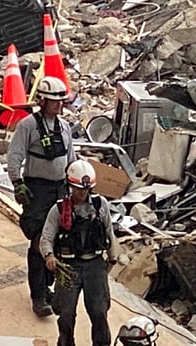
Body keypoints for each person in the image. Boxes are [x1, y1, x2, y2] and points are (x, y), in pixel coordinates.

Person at [7, 76, 75, 317]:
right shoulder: (28, 126)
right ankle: (38, 296)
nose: (59, 105)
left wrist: (74, 186)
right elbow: (15, 155)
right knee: (38, 242)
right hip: (38, 191)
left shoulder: (64, 127)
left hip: (60, 189)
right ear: (42, 101)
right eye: (54, 101)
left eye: (61, 101)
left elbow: (71, 159)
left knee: (55, 241)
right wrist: (17, 182)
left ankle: (47, 288)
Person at [40, 160, 119, 346]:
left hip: (95, 264)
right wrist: (49, 256)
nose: (82, 193)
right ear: (70, 186)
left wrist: (112, 257)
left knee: (99, 311)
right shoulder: (59, 210)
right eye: (78, 189)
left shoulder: (100, 205)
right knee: (66, 313)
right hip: (68, 267)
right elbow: (46, 238)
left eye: (85, 189)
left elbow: (109, 232)